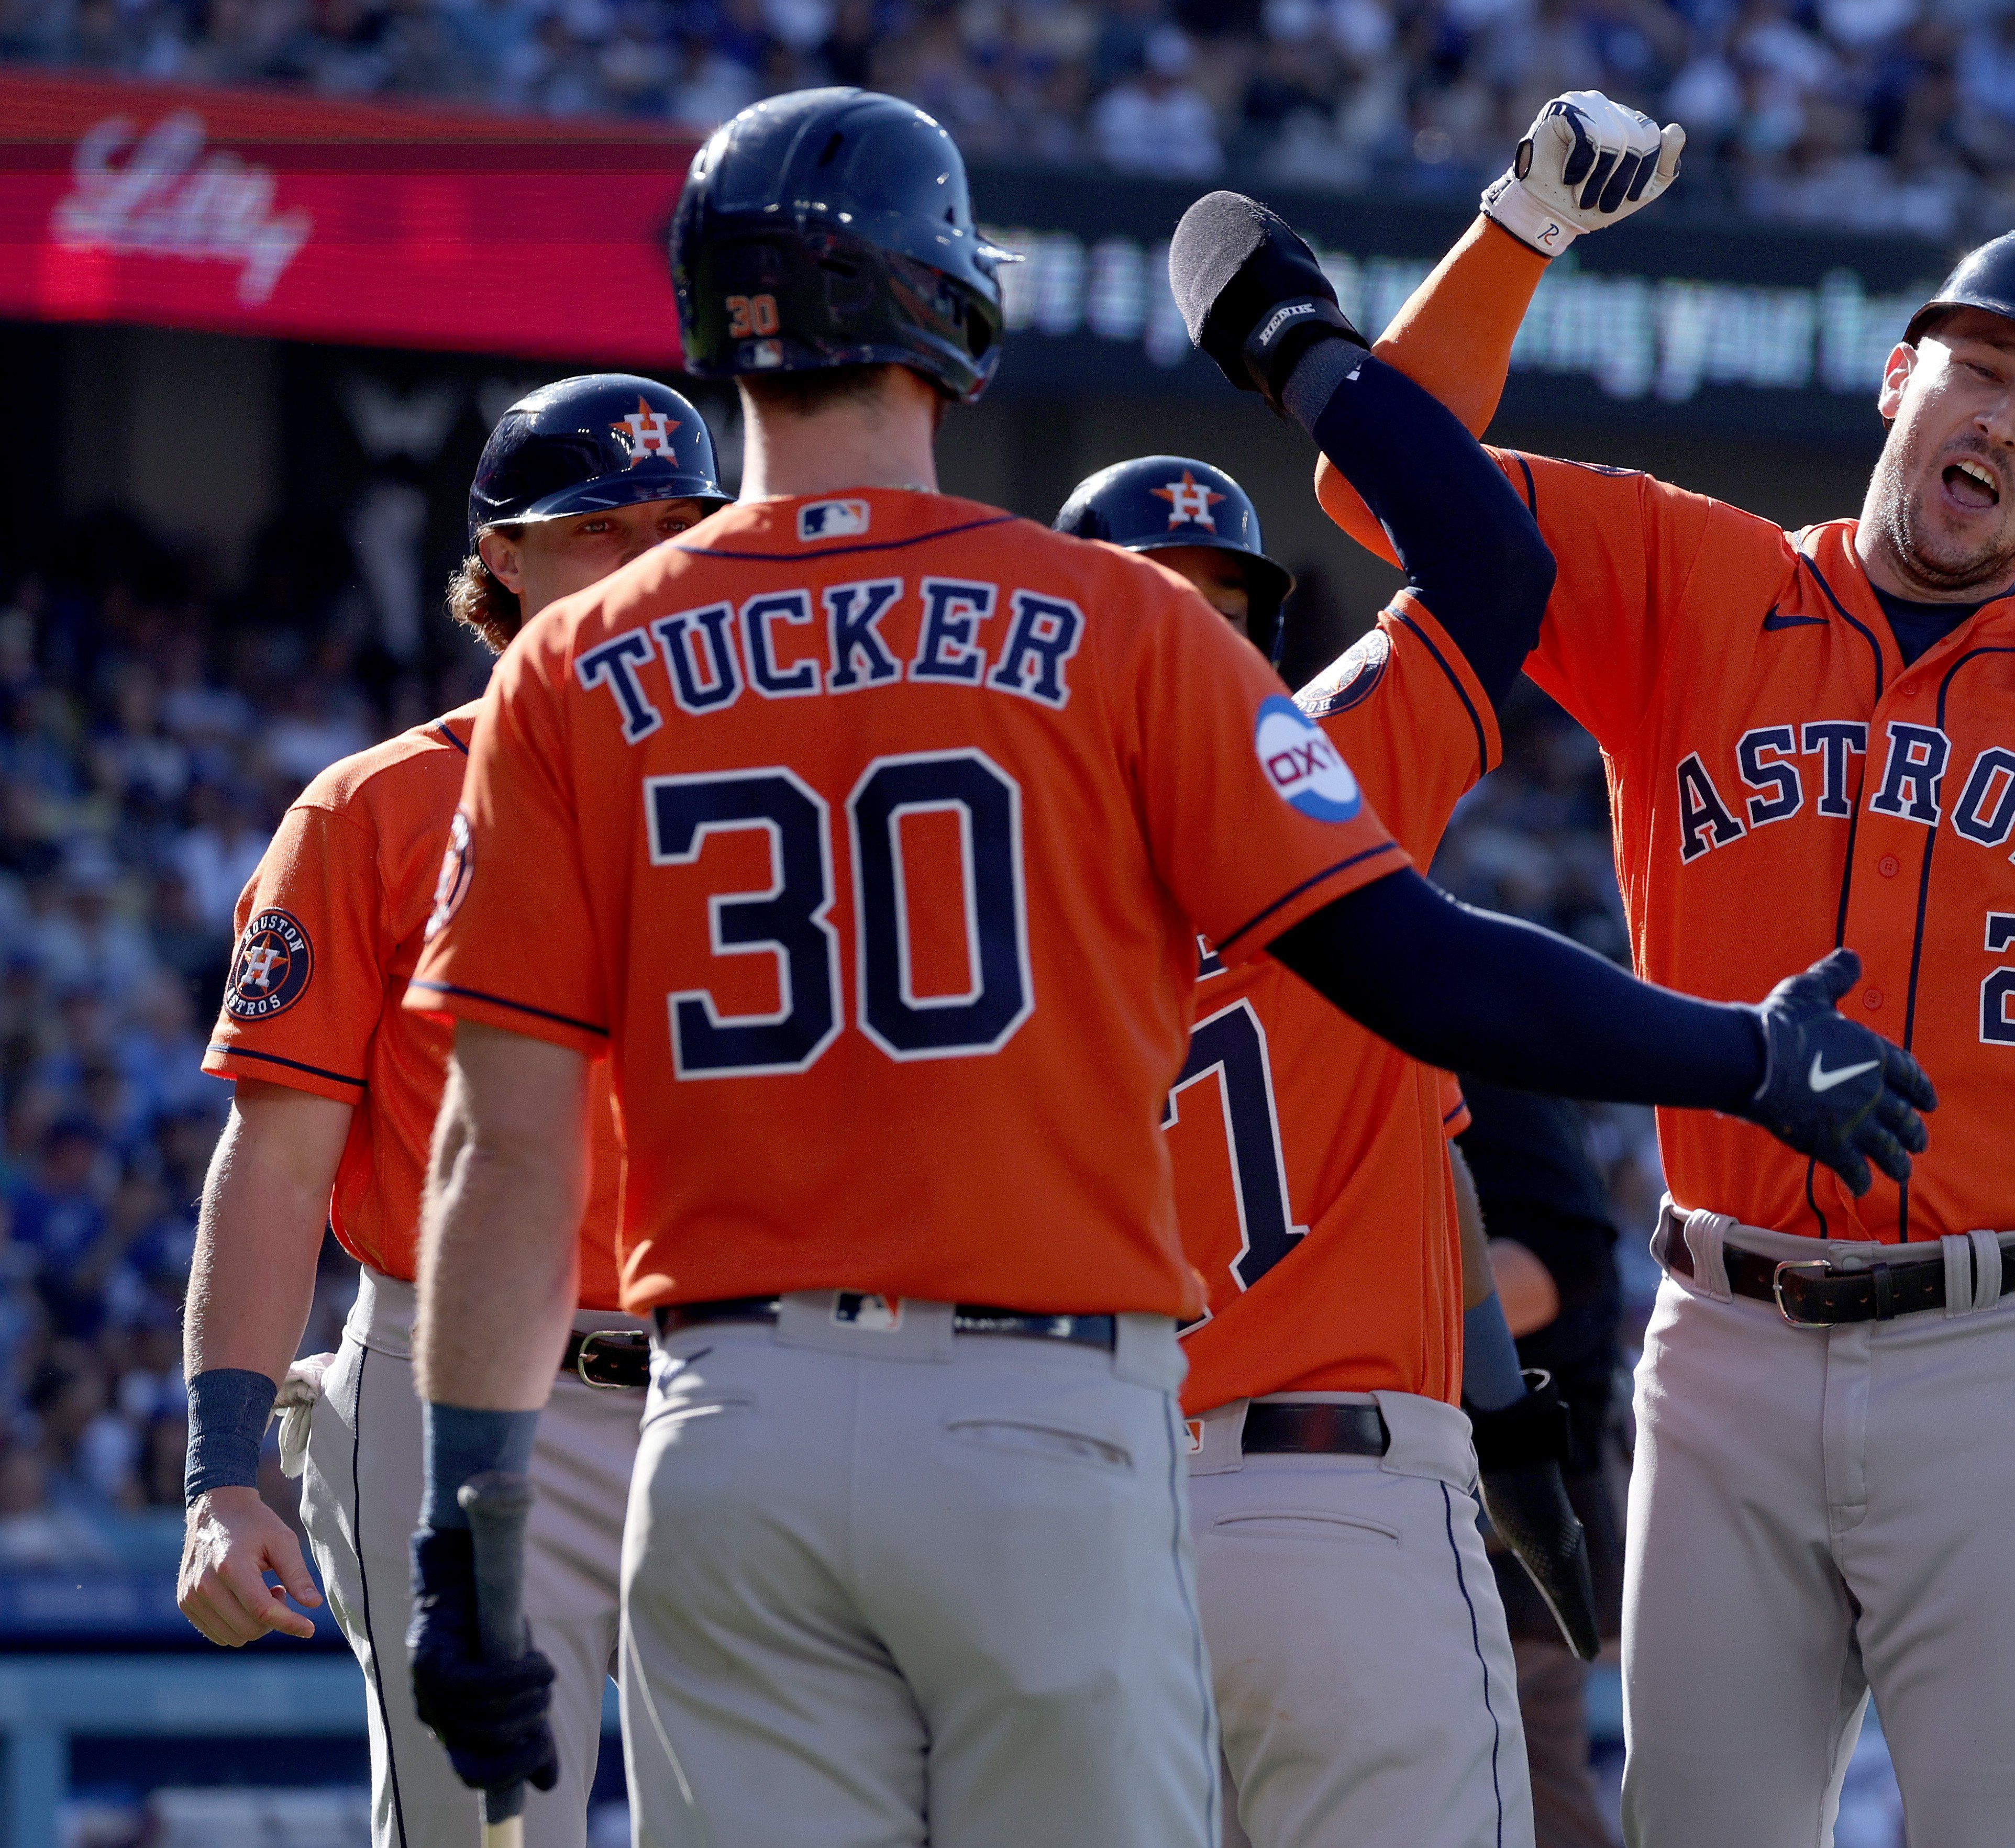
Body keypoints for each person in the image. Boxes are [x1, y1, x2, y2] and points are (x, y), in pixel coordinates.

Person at [394, 88, 1931, 1848]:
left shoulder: (564, 670)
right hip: (1035, 1419)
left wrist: (470, 1524)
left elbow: (497, 1156)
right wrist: (1737, 1056)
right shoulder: (1106, 625)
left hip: (725, 1417)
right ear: (949, 312)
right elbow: (1420, 966)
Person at [1318, 88, 2015, 1846]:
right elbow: (1363, 472)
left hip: (2001, 1355)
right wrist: (1511, 236)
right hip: (1725, 1337)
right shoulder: (1690, 579)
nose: (2006, 422)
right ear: (1896, 379)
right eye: (1983, 373)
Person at [1048, 174, 1673, 1848]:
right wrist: (1294, 342)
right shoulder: (1320, 771)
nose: (1201, 628)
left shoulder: (984, 855)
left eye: (1222, 603)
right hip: (1334, 1504)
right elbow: (1487, 550)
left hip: (1071, 1502)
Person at [172, 373, 730, 1848]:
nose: (651, 559)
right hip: (456, 1380)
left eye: (684, 526)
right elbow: (278, 1162)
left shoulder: (782, 797)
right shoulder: (375, 811)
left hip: (736, 1380)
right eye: (603, 527)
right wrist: (222, 1471)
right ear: (500, 561)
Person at [1455, 1078, 1628, 1848]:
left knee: (1510, 1788)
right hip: (1459, 1500)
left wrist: (1352, 1328)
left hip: (1517, 1500)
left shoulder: (1453, 1029)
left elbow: (1566, 1261)